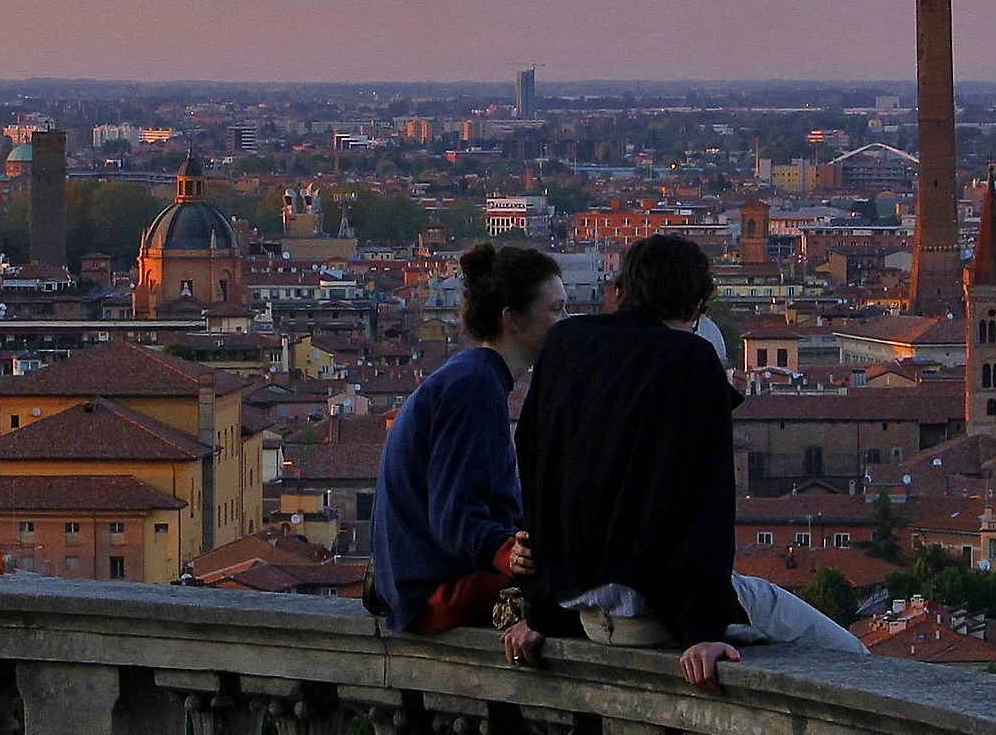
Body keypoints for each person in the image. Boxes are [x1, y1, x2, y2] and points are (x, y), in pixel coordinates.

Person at [508, 233, 863, 691]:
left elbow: (535, 471)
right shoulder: (690, 359)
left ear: (622, 289)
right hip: (657, 616)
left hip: (581, 611)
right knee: (850, 655)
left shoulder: (565, 345)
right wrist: (702, 632)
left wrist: (540, 611)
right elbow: (706, 505)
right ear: (695, 306)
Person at [368, 243, 566, 633]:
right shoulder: (475, 387)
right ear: (512, 319)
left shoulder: (470, 375)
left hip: (419, 586)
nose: (567, 320)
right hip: (439, 595)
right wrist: (508, 552)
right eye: (556, 309)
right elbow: (455, 515)